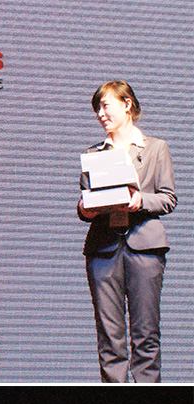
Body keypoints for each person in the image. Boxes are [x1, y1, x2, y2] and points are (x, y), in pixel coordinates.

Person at [78, 80, 177, 382]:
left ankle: (147, 403)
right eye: (97, 108)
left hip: (144, 247)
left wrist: (140, 200)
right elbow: (84, 202)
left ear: (127, 105)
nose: (100, 113)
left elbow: (168, 198)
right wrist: (86, 208)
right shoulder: (94, 153)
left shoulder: (156, 148)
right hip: (103, 249)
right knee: (109, 337)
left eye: (105, 105)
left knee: (146, 334)